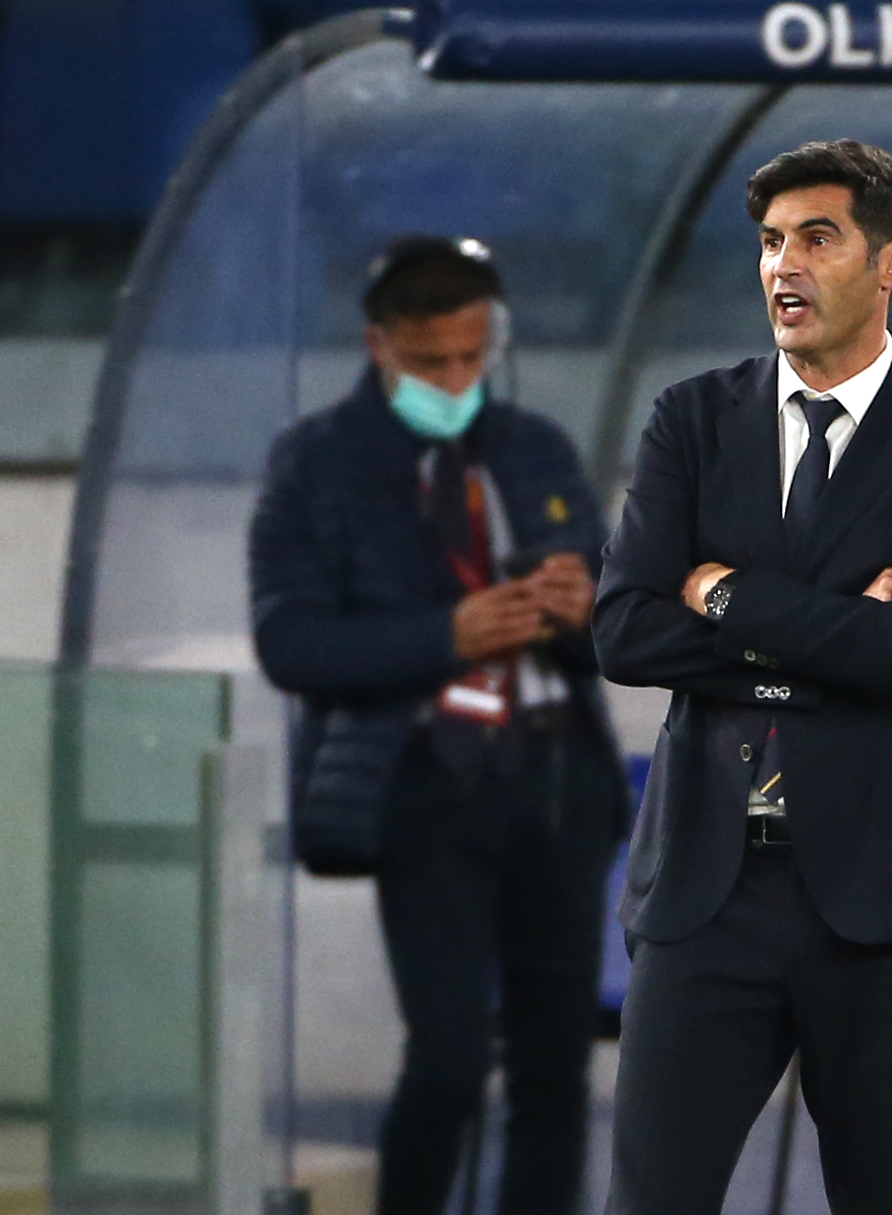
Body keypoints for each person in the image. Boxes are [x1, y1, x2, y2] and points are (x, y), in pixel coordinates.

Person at [592, 139, 892, 1215]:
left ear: (891, 262)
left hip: (884, 904)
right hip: (706, 891)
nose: (783, 265)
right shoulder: (692, 420)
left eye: (817, 239)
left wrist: (724, 593)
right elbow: (625, 633)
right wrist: (842, 631)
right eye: (772, 242)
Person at [249, 236, 629, 1215]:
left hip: (556, 773)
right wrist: (445, 635)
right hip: (425, 780)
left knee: (554, 1065)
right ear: (379, 346)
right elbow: (290, 643)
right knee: (450, 1058)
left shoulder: (535, 448)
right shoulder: (317, 461)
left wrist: (588, 610)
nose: (455, 382)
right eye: (430, 363)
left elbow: (629, 630)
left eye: (470, 357)